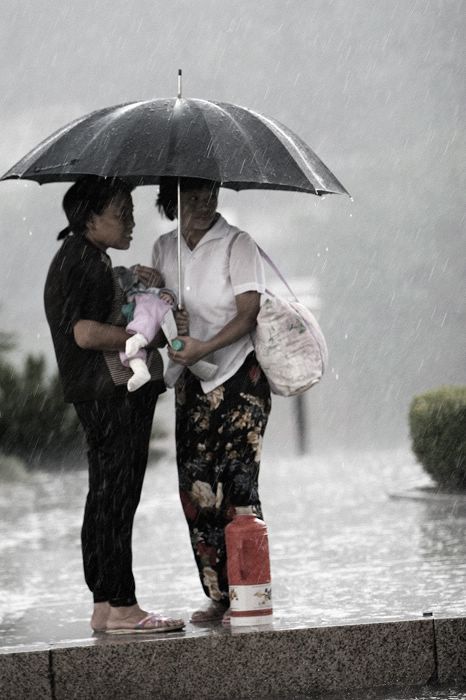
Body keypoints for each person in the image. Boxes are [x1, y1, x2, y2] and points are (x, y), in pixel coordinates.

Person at [44, 175, 184, 634]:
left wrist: (132, 283)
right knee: (118, 497)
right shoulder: (83, 261)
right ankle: (123, 606)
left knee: (103, 497)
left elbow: (96, 312)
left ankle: (105, 603)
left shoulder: (85, 257)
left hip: (96, 394)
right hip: (109, 393)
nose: (130, 221)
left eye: (130, 211)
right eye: (120, 213)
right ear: (90, 218)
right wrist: (141, 336)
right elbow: (84, 332)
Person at [151, 176, 272, 624]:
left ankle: (251, 594)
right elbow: (160, 311)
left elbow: (248, 313)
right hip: (192, 381)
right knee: (198, 489)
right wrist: (162, 300)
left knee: (238, 487)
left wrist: (206, 344)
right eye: (192, 194)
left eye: (210, 193)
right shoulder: (164, 249)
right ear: (172, 197)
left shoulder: (237, 244)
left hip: (239, 376)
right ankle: (218, 595)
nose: (203, 202)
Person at [114, 264, 177, 392]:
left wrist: (168, 296)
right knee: (128, 351)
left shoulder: (148, 294)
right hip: (134, 326)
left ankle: (141, 337)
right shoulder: (126, 299)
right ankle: (140, 371)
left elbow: (167, 296)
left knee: (145, 312)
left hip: (156, 317)